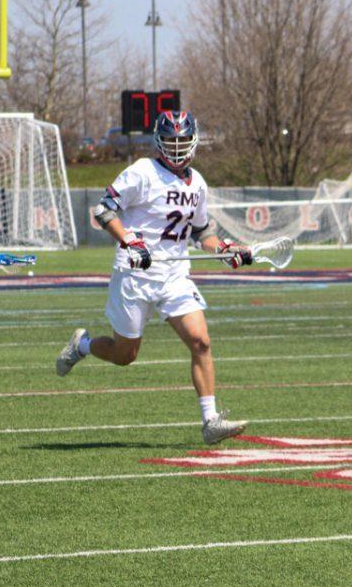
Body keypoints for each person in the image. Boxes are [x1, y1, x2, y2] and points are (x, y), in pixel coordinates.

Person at [54, 111, 250, 445]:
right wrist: (129, 240)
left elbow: (202, 233)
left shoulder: (198, 183)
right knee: (125, 355)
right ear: (159, 142)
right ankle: (82, 345)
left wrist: (226, 249)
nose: (177, 148)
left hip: (174, 275)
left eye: (182, 141)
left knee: (201, 341)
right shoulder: (143, 172)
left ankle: (210, 421)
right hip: (136, 273)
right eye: (171, 141)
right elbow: (104, 211)